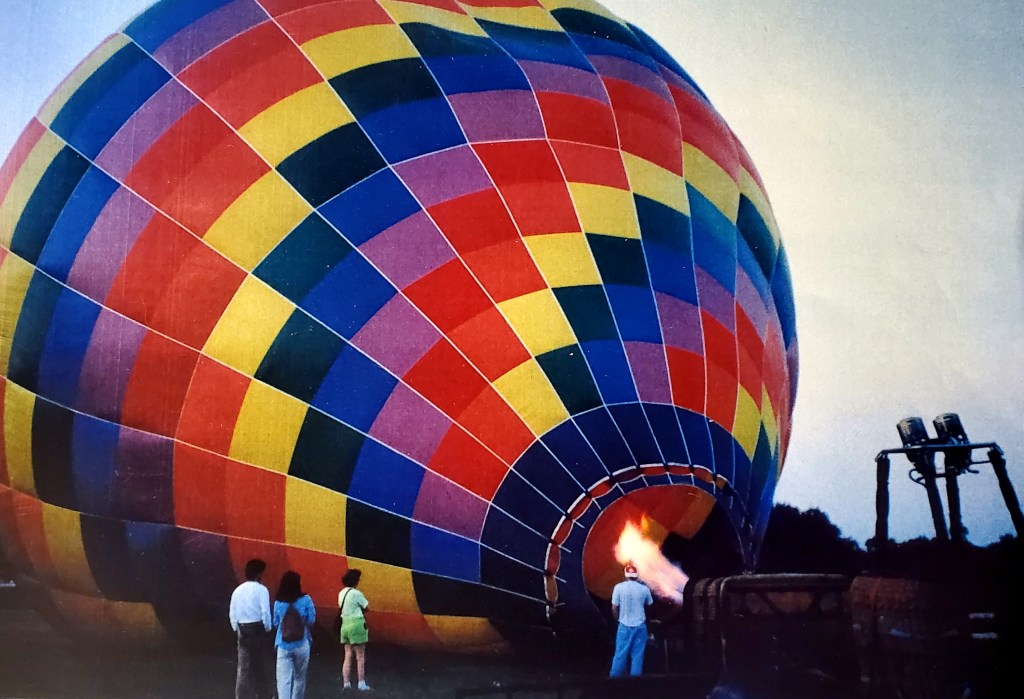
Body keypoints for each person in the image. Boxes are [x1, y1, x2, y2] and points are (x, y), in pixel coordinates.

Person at [229, 558, 274, 699]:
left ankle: (241, 696)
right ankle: (263, 695)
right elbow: (265, 612)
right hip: (257, 630)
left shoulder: (238, 590)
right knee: (259, 666)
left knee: (243, 668)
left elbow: (232, 613)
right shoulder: (262, 590)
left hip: (242, 630)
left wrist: (237, 629)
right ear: (258, 574)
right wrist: (267, 628)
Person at [273, 570, 316, 699]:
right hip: (302, 644)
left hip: (283, 644)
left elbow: (275, 623)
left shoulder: (278, 602)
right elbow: (312, 621)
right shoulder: (306, 599)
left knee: (283, 681)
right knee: (299, 678)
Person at [609, 563, 653, 677]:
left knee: (620, 655)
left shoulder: (618, 587)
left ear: (625, 575)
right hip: (640, 626)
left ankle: (613, 683)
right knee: (638, 656)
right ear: (637, 576)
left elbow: (614, 607)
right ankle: (635, 686)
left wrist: (617, 620)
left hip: (624, 625)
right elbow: (650, 605)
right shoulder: (644, 589)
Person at [338, 568, 371, 691]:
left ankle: (346, 684)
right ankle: (361, 683)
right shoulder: (357, 593)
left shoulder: (341, 593)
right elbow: (367, 607)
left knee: (347, 654)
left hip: (345, 624)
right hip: (357, 624)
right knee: (360, 656)